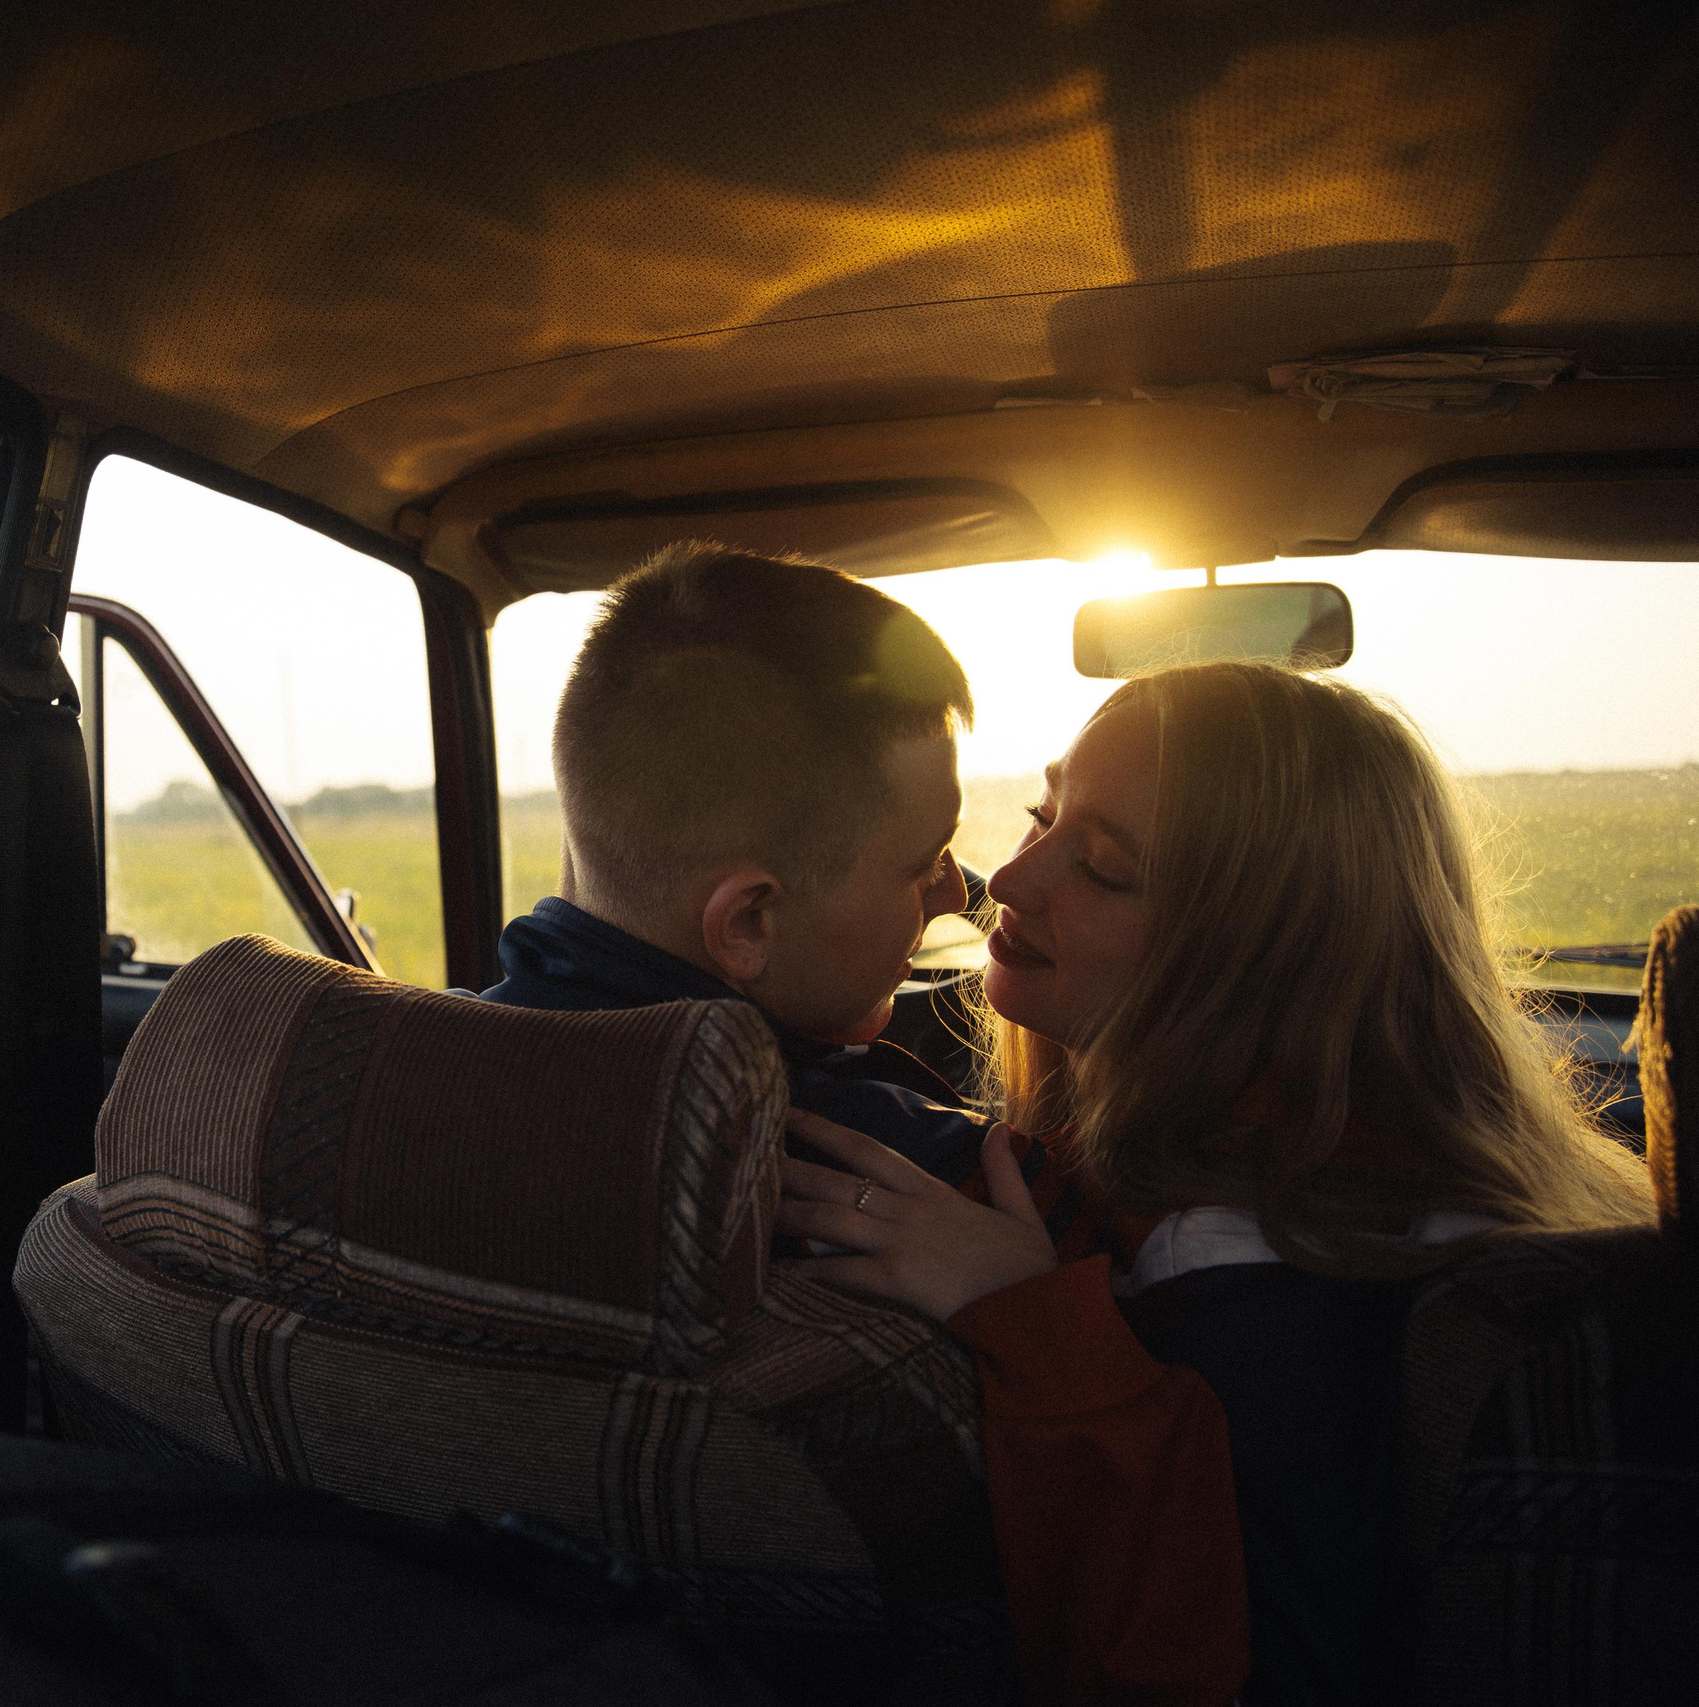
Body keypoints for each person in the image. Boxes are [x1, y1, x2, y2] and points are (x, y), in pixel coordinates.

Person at [776, 661, 1657, 1705]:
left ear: (1257, 961)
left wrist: (1027, 1324)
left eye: (1101, 867)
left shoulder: (1273, 1280)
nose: (1005, 881)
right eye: (1040, 815)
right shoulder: (1232, 1187)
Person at [482, 540, 992, 1180]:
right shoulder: (926, 1174)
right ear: (749, 923)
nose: (955, 899)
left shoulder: (394, 1061)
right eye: (921, 868)